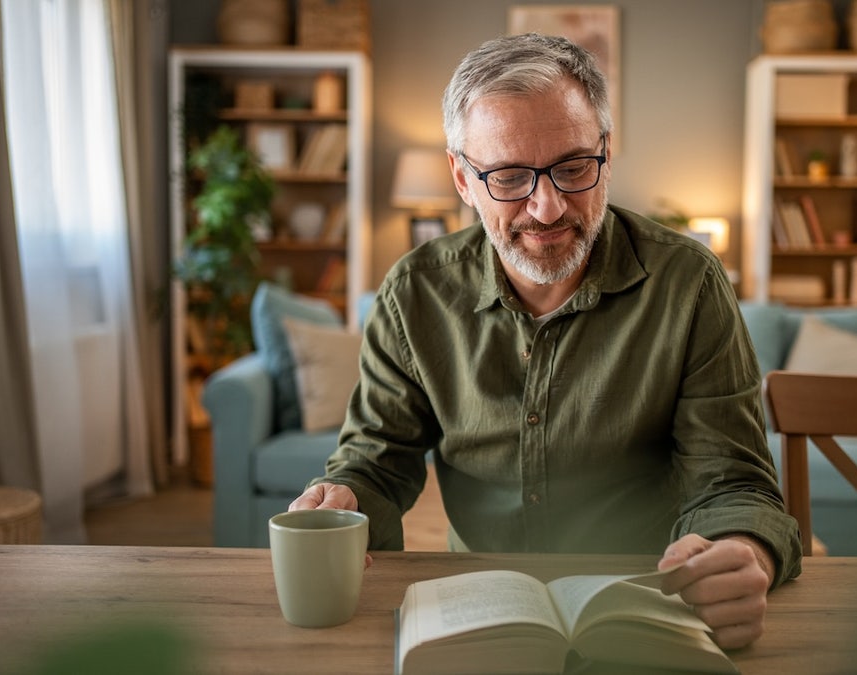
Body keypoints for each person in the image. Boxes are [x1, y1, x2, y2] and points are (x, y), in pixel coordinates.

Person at [290, 32, 802, 648]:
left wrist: (741, 553)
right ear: (461, 177)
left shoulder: (689, 283)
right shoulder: (413, 294)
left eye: (573, 167)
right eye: (509, 176)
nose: (548, 207)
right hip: (477, 609)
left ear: (606, 155)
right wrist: (345, 499)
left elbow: (734, 482)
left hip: (646, 607)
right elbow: (377, 461)